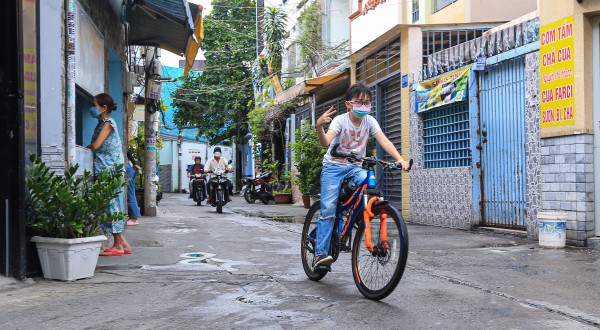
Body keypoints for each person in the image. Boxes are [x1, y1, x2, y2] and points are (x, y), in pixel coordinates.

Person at [313, 82, 410, 267]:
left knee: (369, 185)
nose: (363, 107)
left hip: (355, 168)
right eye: (359, 102)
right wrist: (319, 126)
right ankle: (320, 254)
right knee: (328, 209)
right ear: (349, 104)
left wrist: (400, 159)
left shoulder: (370, 121)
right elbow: (325, 142)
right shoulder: (340, 120)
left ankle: (353, 222)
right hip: (333, 167)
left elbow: (385, 141)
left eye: (367, 103)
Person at [87, 93, 132, 257]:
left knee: (111, 206)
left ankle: (118, 245)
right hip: (106, 169)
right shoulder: (101, 124)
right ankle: (123, 243)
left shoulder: (108, 123)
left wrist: (84, 149)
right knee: (110, 205)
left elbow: (96, 145)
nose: (92, 108)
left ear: (104, 108)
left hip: (110, 170)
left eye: (94, 104)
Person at [125, 150, 142, 226]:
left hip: (127, 169)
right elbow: (128, 152)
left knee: (130, 193)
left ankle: (134, 218)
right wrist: (135, 164)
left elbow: (128, 152)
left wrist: (135, 164)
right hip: (128, 168)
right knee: (130, 193)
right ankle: (133, 217)